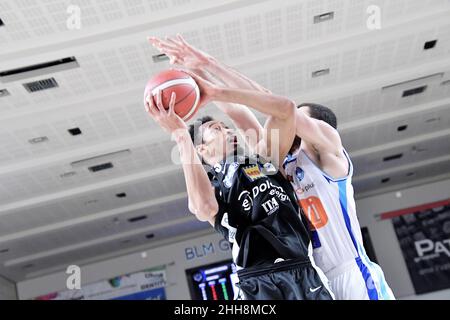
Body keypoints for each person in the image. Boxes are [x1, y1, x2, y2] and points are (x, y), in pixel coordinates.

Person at [151, 35, 395, 300]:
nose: (296, 122)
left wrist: (211, 75)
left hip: (352, 274)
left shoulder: (329, 156)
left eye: (303, 119)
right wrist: (201, 71)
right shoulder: (274, 165)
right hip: (311, 278)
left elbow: (278, 106)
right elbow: (243, 110)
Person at [144, 47, 333, 300]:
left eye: (227, 127)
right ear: (201, 148)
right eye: (216, 128)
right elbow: (202, 207)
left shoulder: (265, 159)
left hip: (301, 271)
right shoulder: (212, 184)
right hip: (257, 283)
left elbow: (285, 109)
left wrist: (205, 79)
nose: (228, 131)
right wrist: (180, 137)